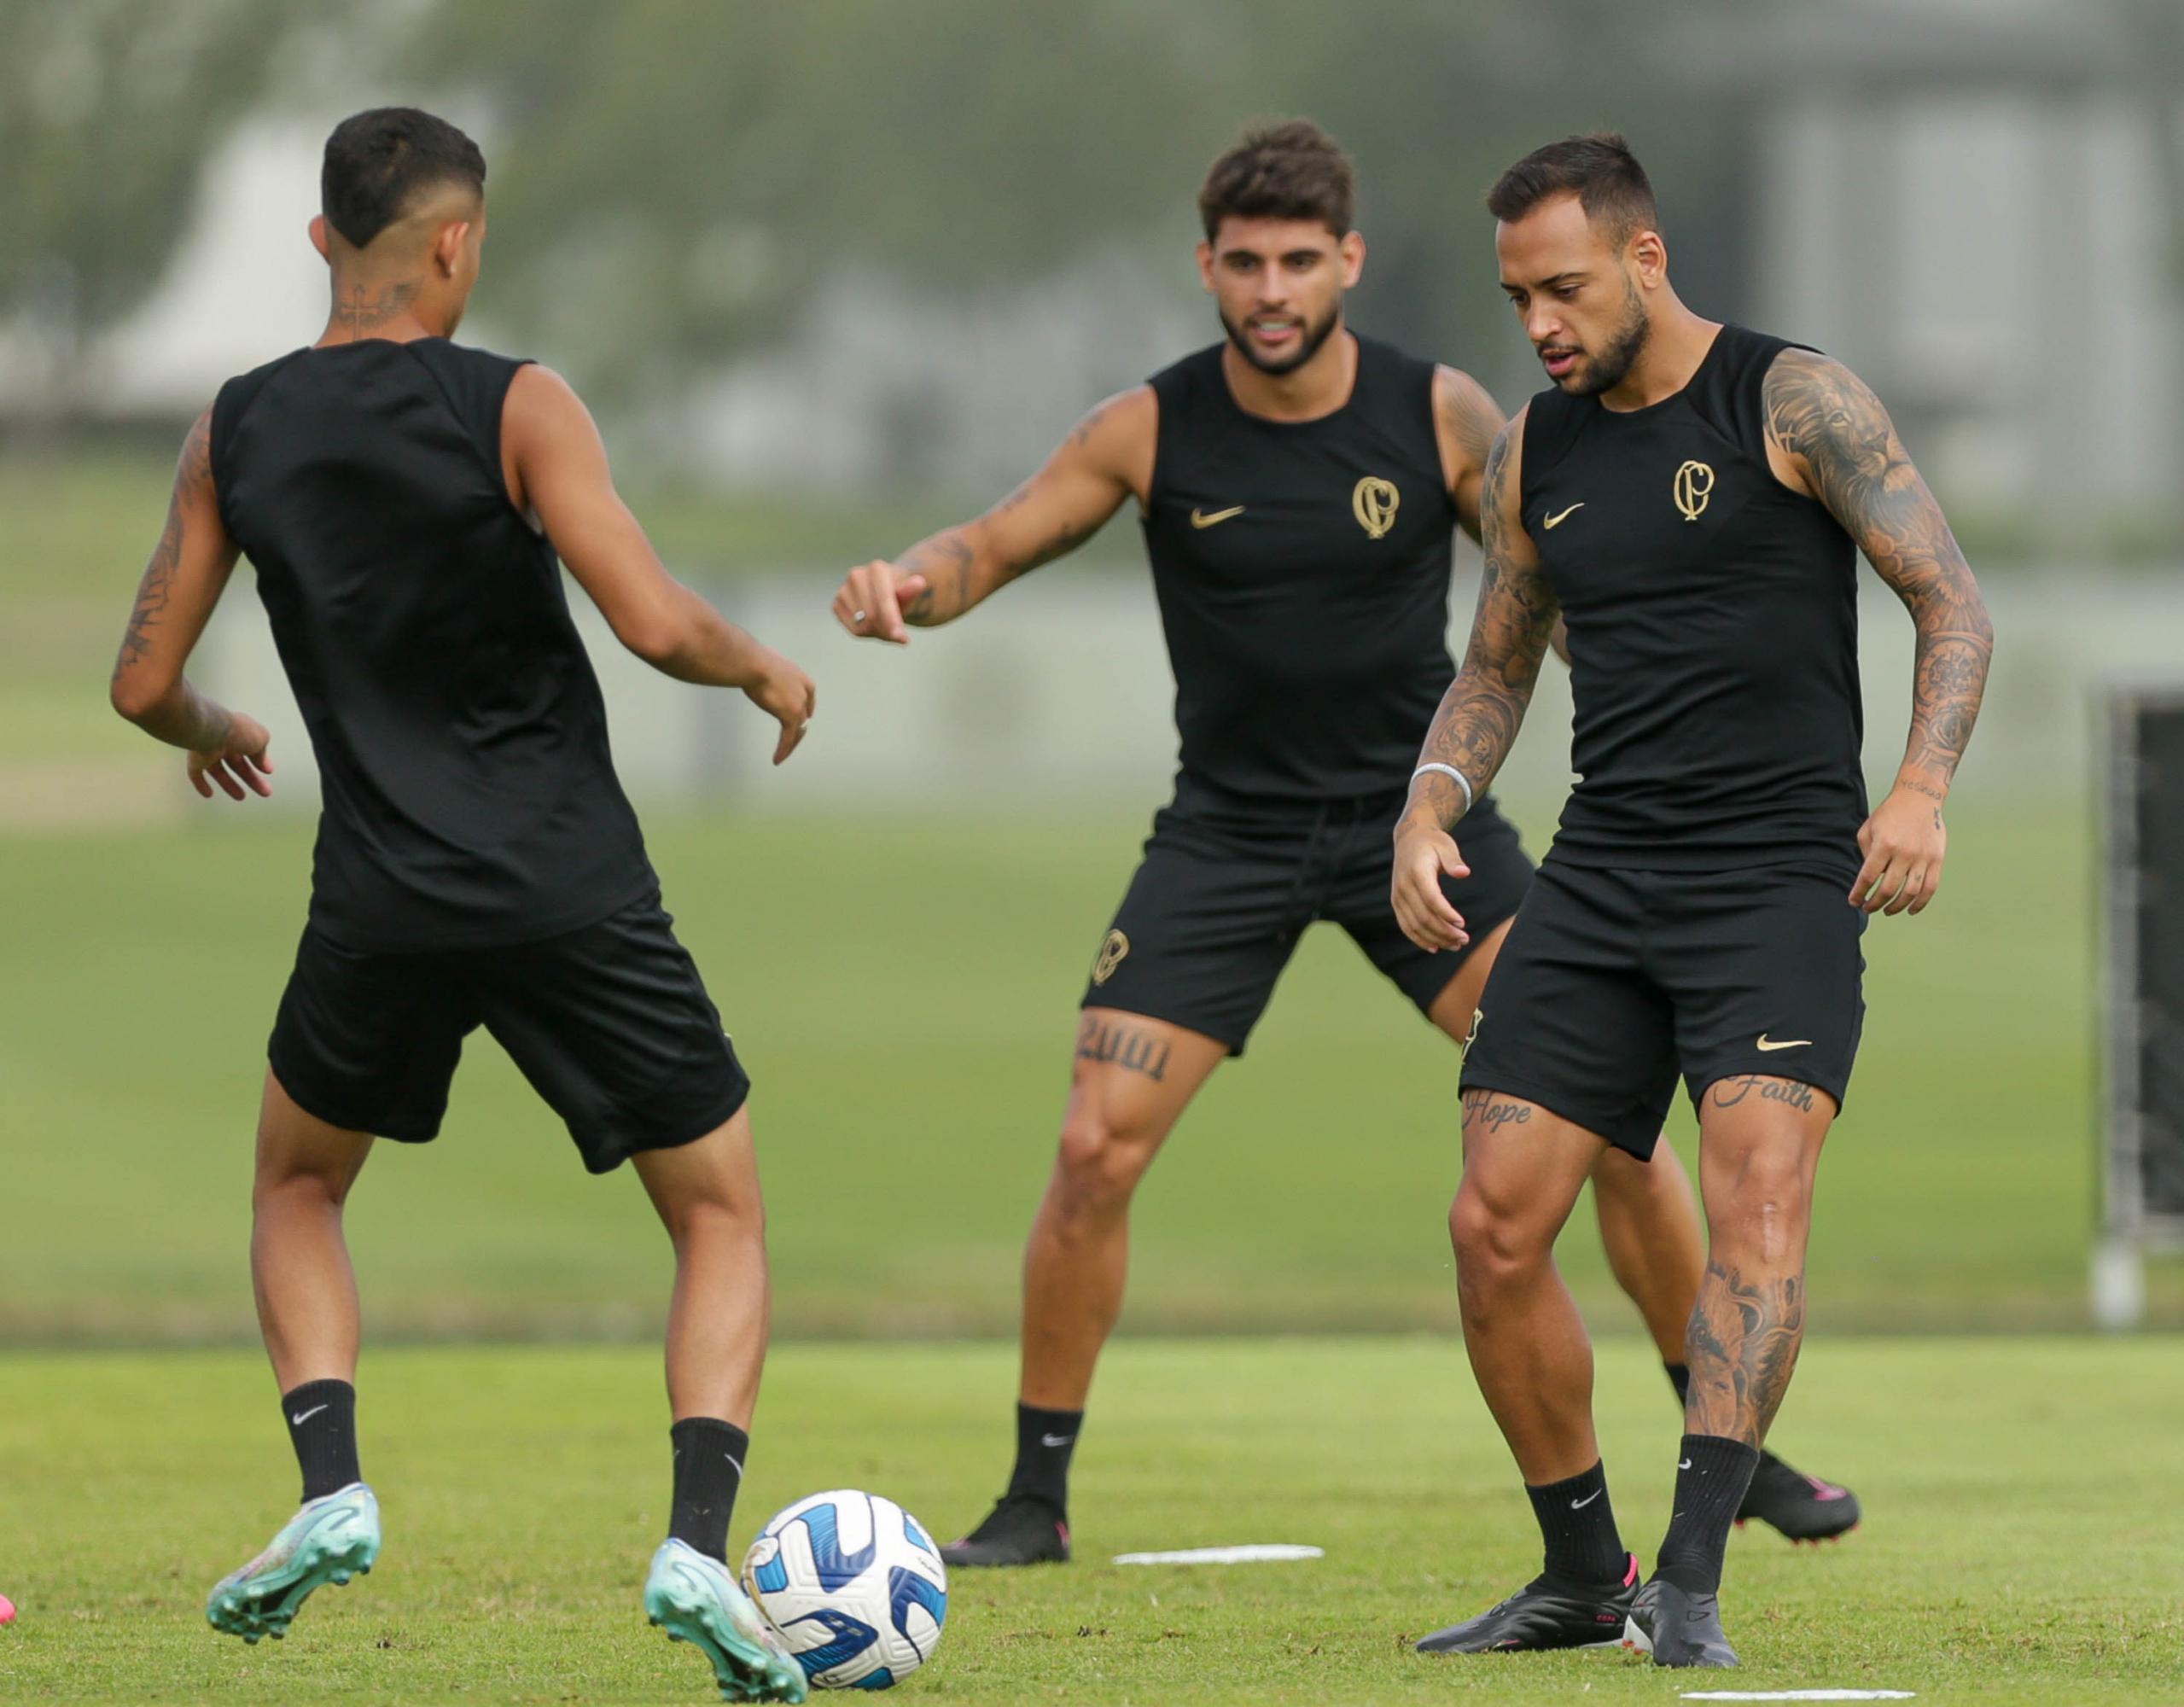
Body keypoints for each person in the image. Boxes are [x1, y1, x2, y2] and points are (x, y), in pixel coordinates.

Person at [830, 120, 1855, 1575]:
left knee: (1616, 1136)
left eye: (1299, 260)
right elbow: (993, 543)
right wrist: (904, 585)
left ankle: (1733, 1446)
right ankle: (1033, 1497)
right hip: (1226, 836)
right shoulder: (1150, 426)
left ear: (1347, 263)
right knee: (1090, 1147)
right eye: (1243, 262)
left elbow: (1545, 592)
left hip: (1419, 835)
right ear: (1208, 267)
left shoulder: (1439, 413)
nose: (1270, 287)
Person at [107, 108, 814, 1703]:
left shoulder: (235, 428)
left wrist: (217, 732)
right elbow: (646, 619)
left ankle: (330, 1485)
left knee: (298, 1185)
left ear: (320, 243)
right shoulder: (520, 402)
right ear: (456, 244)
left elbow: (142, 677)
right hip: (573, 886)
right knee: (716, 1208)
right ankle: (700, 1535)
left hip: (383, 898)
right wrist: (762, 660)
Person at [1393, 133, 1992, 1667]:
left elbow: (1949, 600)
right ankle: (1584, 1573)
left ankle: (1696, 1582)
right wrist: (1430, 801)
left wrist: (1917, 792)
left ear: (1646, 260)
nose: (1539, 322)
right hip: (1603, 877)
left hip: (1780, 879)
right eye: (1519, 294)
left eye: (1566, 288)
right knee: (1491, 1227)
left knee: (1757, 1203)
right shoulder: (1538, 447)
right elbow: (1497, 662)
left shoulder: (1796, 400)